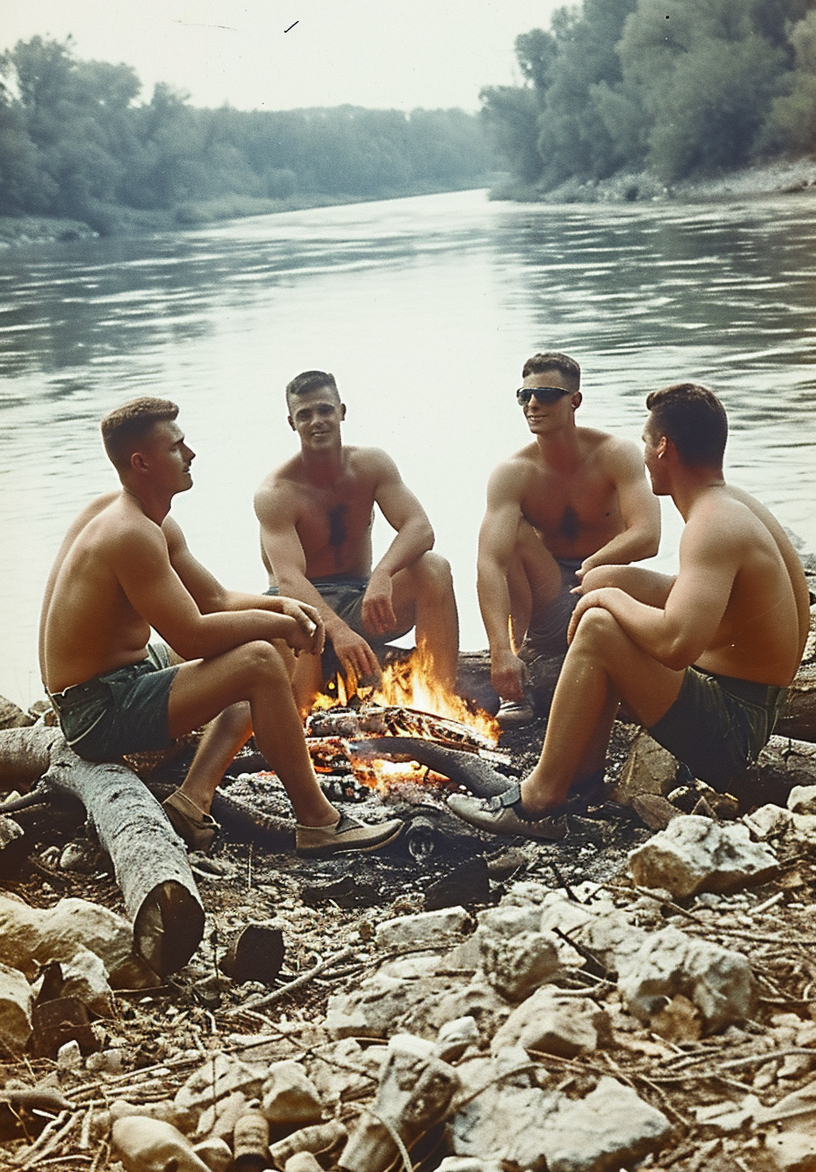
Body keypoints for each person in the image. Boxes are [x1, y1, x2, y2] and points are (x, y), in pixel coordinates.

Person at [39, 397, 404, 856]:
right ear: (142, 462)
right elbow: (192, 637)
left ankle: (193, 800)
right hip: (96, 710)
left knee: (267, 637)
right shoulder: (128, 533)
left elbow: (214, 599)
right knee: (258, 661)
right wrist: (278, 625)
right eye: (176, 447)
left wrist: (287, 611)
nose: (190, 454)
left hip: (116, 676)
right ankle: (319, 822)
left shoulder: (142, 516)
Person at [450, 383, 811, 837]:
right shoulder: (732, 504)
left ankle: (538, 798)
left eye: (644, 440)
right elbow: (706, 598)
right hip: (743, 704)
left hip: (732, 729)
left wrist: (608, 600)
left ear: (664, 447)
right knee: (607, 584)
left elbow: (677, 645)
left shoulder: (711, 525)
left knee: (601, 625)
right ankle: (581, 778)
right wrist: (613, 580)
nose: (641, 452)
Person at [253, 370, 459, 713]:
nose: (316, 421)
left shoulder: (370, 464)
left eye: (324, 410)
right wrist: (336, 630)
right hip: (302, 609)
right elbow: (289, 580)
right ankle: (304, 726)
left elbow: (420, 528)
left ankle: (438, 706)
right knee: (300, 650)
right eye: (305, 415)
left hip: (361, 598)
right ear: (291, 423)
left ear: (342, 411)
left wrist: (381, 575)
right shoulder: (276, 492)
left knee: (434, 568)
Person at [477, 352, 660, 722]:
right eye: (524, 395)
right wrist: (499, 651)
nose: (532, 405)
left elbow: (648, 536)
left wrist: (594, 564)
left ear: (574, 400)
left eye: (545, 395)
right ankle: (518, 672)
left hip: (606, 588)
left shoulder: (616, 453)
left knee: (608, 578)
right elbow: (490, 563)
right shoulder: (513, 472)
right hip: (550, 600)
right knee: (507, 533)